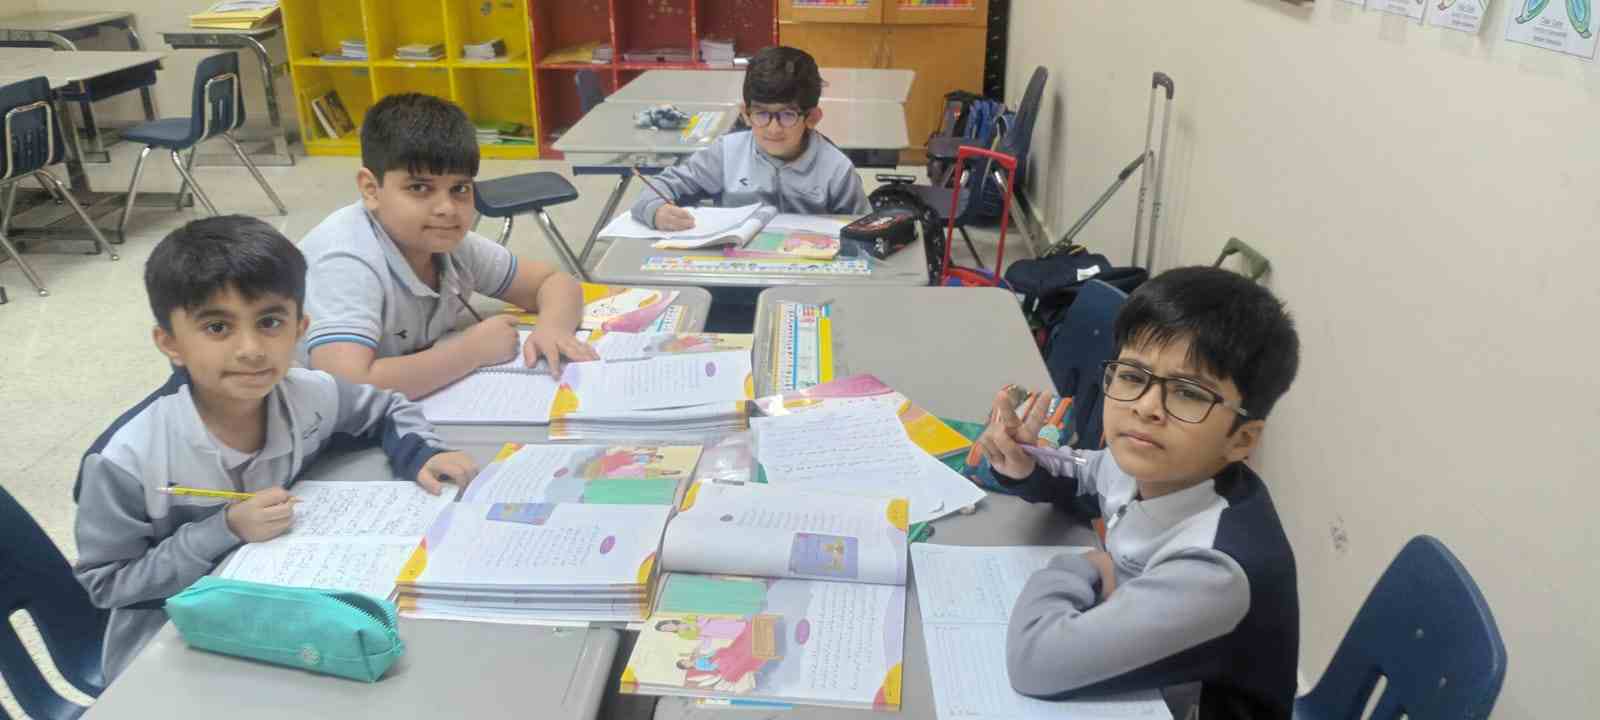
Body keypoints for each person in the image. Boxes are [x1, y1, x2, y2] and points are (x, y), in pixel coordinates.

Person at [74, 216, 479, 680]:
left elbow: (385, 407)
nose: (251, 349)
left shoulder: (308, 394)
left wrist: (422, 453)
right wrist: (223, 530)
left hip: (287, 610)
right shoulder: (126, 459)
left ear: (300, 327)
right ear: (170, 343)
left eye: (270, 322)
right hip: (168, 646)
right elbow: (106, 583)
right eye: (217, 327)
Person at [978, 266, 1302, 718]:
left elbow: (1035, 660)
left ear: (1241, 439)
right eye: (1132, 376)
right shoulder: (1158, 467)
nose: (1147, 407)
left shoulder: (1217, 570)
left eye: (1189, 393)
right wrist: (1026, 466)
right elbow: (1086, 473)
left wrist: (1084, 566)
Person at [299, 93, 596, 400]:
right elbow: (345, 386)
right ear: (371, 189)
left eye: (459, 189)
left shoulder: (450, 245)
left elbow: (554, 282)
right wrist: (469, 352)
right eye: (419, 188)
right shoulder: (345, 261)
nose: (447, 209)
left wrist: (553, 328)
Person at [629, 46, 871, 231]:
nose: (773, 129)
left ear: (812, 118)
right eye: (761, 114)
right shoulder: (726, 153)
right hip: (735, 267)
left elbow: (866, 227)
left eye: (787, 115)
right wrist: (655, 210)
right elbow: (658, 187)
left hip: (805, 273)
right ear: (746, 113)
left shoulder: (836, 169)